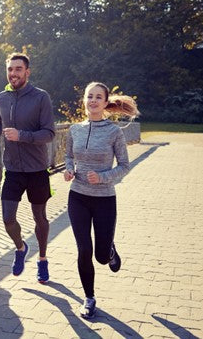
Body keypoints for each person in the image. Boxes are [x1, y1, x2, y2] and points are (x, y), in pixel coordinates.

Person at [63, 81, 140, 319]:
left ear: (106, 103)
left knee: (100, 256)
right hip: (78, 197)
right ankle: (89, 298)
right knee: (84, 250)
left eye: (98, 97)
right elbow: (67, 156)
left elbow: (125, 166)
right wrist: (68, 170)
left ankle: (110, 251)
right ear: (84, 101)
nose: (93, 100)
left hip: (104, 199)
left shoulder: (114, 132)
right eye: (89, 96)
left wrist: (103, 177)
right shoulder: (75, 129)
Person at [0, 52, 56, 284]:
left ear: (27, 72)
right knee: (8, 219)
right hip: (13, 169)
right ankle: (21, 247)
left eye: (18, 69)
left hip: (37, 170)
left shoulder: (40, 98)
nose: (13, 73)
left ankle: (43, 259)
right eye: (10, 69)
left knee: (40, 218)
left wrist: (21, 136)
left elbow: (49, 133)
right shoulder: (0, 98)